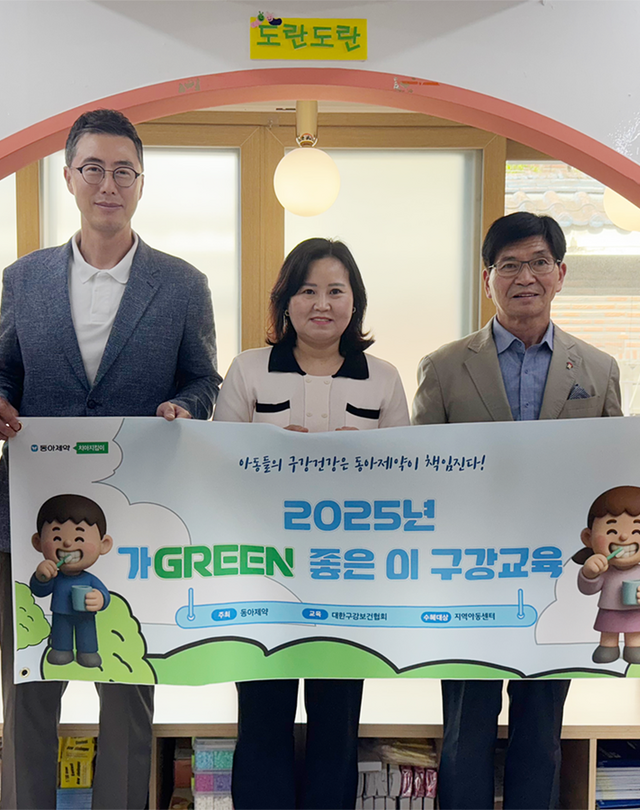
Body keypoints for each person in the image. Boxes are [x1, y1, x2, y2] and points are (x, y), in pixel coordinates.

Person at [412, 212, 640, 809]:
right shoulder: (443, 367)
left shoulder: (597, 368)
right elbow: (419, 471)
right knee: (465, 730)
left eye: (539, 262)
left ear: (561, 273)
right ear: (488, 279)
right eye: (509, 265)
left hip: (560, 576)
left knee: (541, 734)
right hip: (469, 576)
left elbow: (617, 477)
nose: (525, 277)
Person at [0, 109, 221, 810]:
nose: (108, 184)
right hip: (33, 521)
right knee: (28, 692)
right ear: (68, 177)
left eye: (123, 171)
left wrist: (185, 408)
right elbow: (2, 370)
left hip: (134, 522)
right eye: (94, 169)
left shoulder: (182, 284)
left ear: (141, 182)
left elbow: (204, 380)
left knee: (128, 692)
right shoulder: (25, 278)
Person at [214, 237, 410, 809]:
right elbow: (217, 466)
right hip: (262, 577)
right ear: (286, 301)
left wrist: (366, 462)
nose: (321, 304)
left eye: (335, 291)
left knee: (336, 724)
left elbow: (409, 477)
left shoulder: (383, 377)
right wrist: (269, 451)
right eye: (307, 291)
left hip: (350, 578)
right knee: (262, 719)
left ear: (355, 302)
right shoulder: (249, 369)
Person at [575, 485, 640, 665]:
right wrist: (589, 573)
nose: (623, 537)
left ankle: (635, 647)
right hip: (609, 610)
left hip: (635, 612)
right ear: (588, 537)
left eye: (637, 531)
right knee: (608, 634)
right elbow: (587, 589)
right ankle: (608, 646)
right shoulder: (604, 570)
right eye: (611, 531)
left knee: (635, 633)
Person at [29, 494, 115, 668]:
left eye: (79, 539)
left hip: (85, 615)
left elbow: (104, 595)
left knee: (87, 633)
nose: (68, 543)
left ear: (104, 544)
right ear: (38, 542)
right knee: (60, 633)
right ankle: (61, 650)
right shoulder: (55, 575)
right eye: (57, 538)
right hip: (60, 613)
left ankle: (88, 651)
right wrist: (41, 577)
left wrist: (100, 598)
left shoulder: (90, 579)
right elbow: (39, 591)